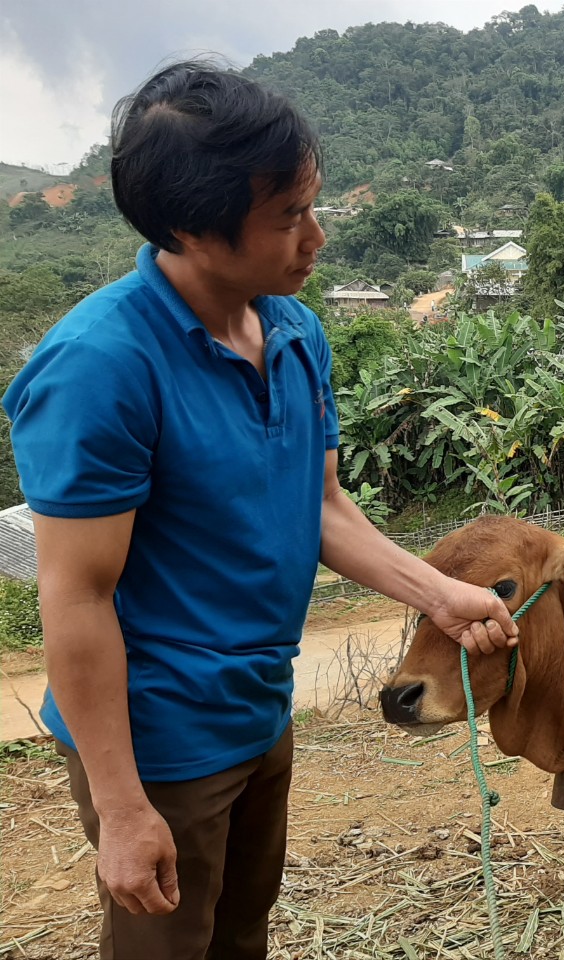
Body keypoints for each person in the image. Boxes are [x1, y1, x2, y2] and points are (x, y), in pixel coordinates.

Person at [2, 61, 520, 960]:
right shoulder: (100, 368)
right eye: (287, 218)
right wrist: (123, 809)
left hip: (258, 708)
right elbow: (75, 598)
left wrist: (438, 593)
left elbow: (319, 506)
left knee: (244, 932)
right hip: (160, 736)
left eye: (313, 207)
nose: (316, 238)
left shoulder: (292, 328)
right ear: (190, 230)